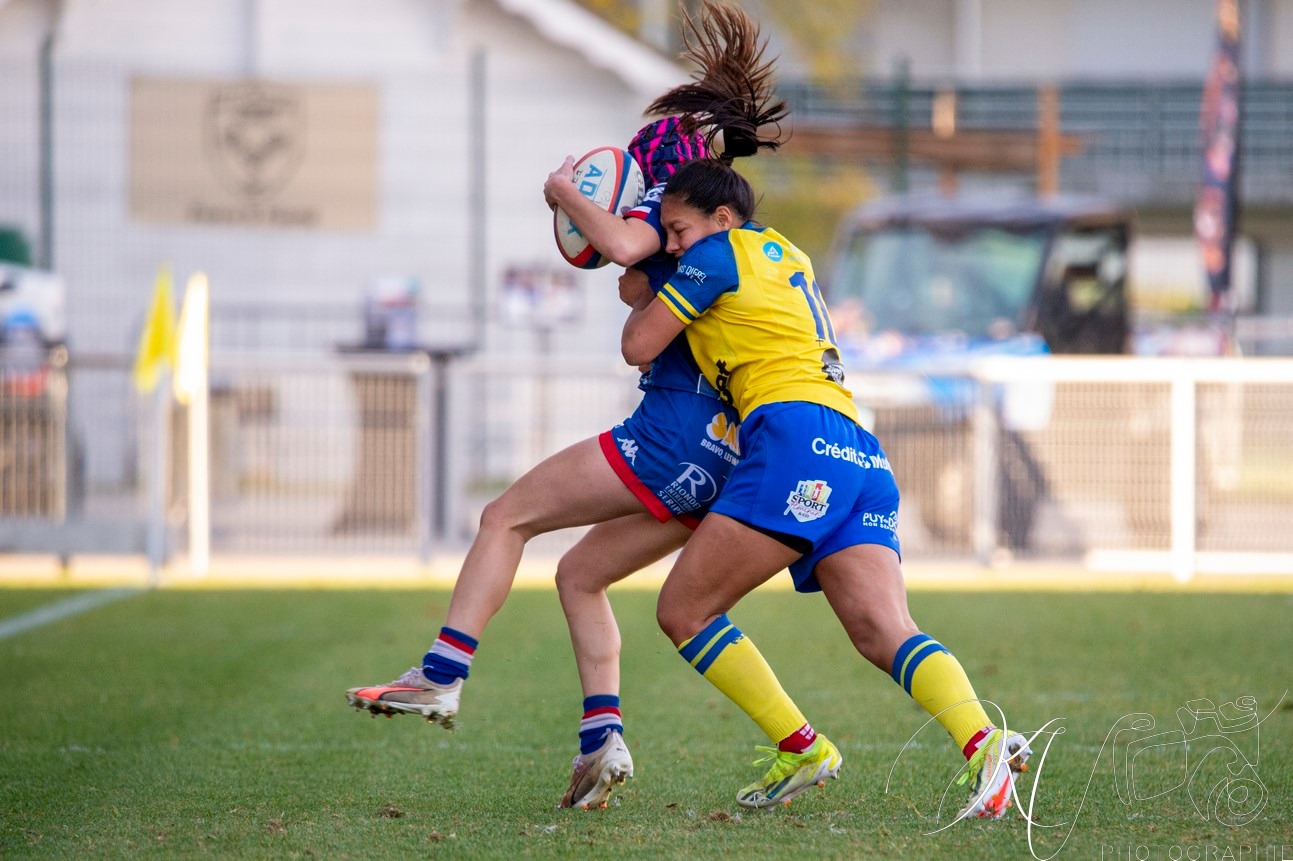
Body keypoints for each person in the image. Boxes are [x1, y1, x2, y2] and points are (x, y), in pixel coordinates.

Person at [345, 1, 788, 812]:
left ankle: (440, 675)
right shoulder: (720, 222)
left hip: (670, 428)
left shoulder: (675, 188)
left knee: (503, 517)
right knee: (581, 574)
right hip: (717, 457)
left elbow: (620, 252)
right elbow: (630, 274)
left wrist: (563, 193)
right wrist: (613, 245)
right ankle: (600, 741)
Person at [612, 156, 1032, 818]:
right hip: (855, 446)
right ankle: (983, 744)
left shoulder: (717, 253)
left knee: (683, 610)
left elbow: (638, 342)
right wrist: (656, 267)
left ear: (721, 220)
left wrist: (622, 248)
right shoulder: (786, 253)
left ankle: (801, 745)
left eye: (677, 229)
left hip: (791, 439)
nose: (670, 243)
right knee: (881, 629)